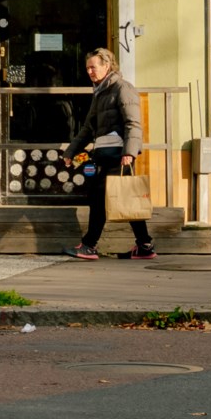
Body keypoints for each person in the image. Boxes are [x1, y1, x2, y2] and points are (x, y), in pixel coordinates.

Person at [69, 47, 155, 260]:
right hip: (104, 155)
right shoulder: (100, 92)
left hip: (118, 155)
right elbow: (89, 128)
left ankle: (89, 245)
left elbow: (133, 123)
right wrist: (70, 152)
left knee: (99, 198)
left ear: (107, 66)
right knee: (127, 198)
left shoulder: (122, 89)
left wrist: (129, 153)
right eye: (87, 68)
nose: (90, 71)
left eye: (93, 67)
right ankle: (144, 246)